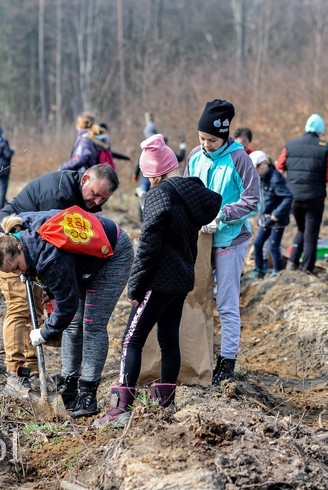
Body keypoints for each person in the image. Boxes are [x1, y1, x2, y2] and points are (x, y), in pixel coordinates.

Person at [93, 134, 222, 428]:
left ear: (156, 173)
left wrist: (136, 285)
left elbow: (149, 243)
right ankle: (164, 405)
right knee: (168, 340)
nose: (148, 182)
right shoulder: (193, 194)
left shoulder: (160, 195)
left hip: (158, 280)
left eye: (149, 176)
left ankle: (119, 410)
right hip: (181, 280)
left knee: (131, 340)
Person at [0, 164, 119, 399]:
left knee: (34, 309)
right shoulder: (59, 196)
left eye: (103, 199)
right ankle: (16, 376)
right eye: (95, 193)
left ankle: (31, 373)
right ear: (85, 178)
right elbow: (52, 251)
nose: (97, 202)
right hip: (7, 249)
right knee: (21, 307)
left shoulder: (83, 197)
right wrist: (52, 290)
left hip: (28, 251)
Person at [0, 210, 132, 419]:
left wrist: (45, 332)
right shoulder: (17, 232)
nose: (19, 274)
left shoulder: (49, 257)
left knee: (91, 325)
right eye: (13, 273)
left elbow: (66, 306)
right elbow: (55, 281)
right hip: (81, 261)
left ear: (20, 248)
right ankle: (69, 386)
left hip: (111, 253)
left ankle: (88, 394)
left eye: (17, 267)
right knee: (73, 325)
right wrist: (38, 280)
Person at [184, 99, 260, 385]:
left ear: (225, 135)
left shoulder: (239, 159)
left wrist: (224, 214)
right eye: (202, 138)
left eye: (212, 140)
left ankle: (227, 362)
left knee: (226, 302)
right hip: (201, 239)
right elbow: (186, 191)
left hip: (230, 239)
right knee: (197, 297)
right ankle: (197, 358)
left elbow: (253, 201)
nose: (206, 144)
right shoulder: (195, 156)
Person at [276, 114, 328, 274]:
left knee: (302, 229)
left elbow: (278, 169)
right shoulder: (325, 147)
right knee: (311, 234)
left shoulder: (290, 145)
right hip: (315, 198)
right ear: (321, 130)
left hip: (293, 198)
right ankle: (306, 270)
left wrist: (279, 194)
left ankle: (292, 262)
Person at [244, 150, 293, 280]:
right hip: (265, 219)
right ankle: (259, 270)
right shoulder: (262, 178)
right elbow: (263, 200)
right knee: (258, 243)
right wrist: (261, 217)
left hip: (277, 220)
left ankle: (278, 273)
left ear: (264, 165)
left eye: (255, 169)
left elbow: (288, 197)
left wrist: (276, 214)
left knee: (273, 246)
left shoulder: (275, 179)